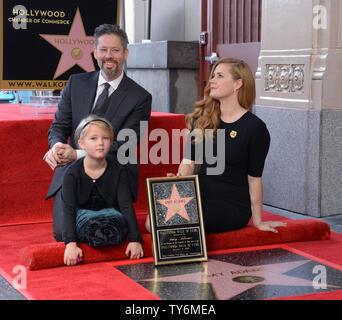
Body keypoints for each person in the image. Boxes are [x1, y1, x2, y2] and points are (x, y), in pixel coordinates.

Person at [146, 57, 286, 234]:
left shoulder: (255, 128)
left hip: (231, 204)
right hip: (200, 195)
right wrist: (178, 182)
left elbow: (254, 178)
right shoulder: (202, 119)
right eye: (213, 75)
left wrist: (258, 221)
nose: (211, 80)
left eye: (219, 76)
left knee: (167, 221)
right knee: (152, 221)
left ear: (238, 84)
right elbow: (188, 163)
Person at [43, 24, 152, 242]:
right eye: (103, 50)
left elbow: (123, 145)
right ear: (95, 52)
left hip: (113, 176)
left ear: (125, 54)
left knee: (106, 233)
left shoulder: (140, 97)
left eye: (115, 50)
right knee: (62, 234)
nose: (108, 56)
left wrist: (77, 153)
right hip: (72, 173)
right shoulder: (76, 83)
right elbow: (59, 126)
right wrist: (56, 148)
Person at [62, 115, 144, 266]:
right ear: (82, 144)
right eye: (93, 138)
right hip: (84, 214)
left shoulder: (118, 170)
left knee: (115, 223)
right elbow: (68, 209)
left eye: (105, 138)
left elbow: (126, 205)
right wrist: (71, 244)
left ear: (111, 142)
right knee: (90, 225)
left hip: (109, 212)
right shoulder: (72, 173)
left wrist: (135, 239)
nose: (100, 143)